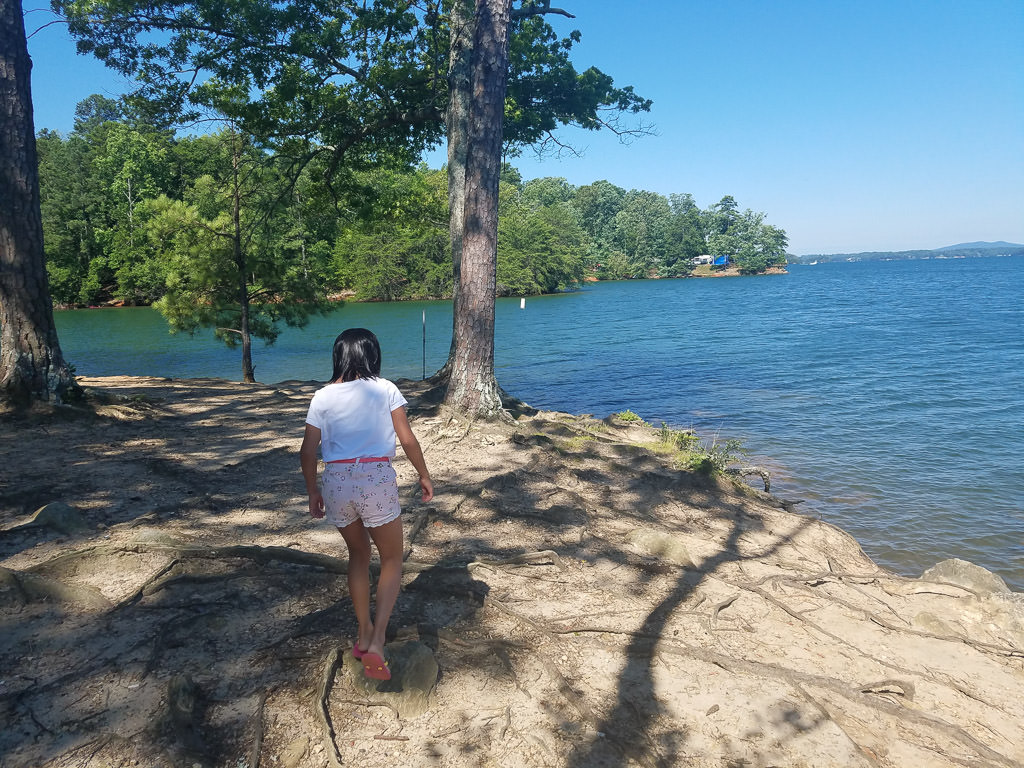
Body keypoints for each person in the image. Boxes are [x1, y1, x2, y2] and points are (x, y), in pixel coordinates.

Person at [300, 328, 433, 681]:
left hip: (336, 480)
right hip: (374, 477)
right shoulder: (385, 388)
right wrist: (424, 474)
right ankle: (377, 639)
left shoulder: (322, 396)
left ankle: (362, 631)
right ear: (373, 354)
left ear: (338, 356)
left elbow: (308, 450)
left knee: (358, 556)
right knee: (391, 558)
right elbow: (407, 438)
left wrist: (313, 490)